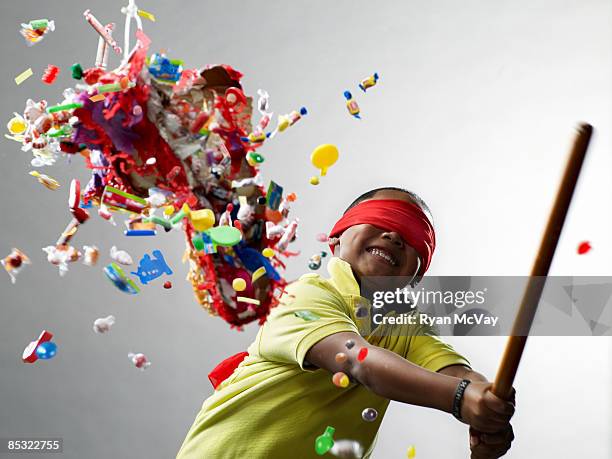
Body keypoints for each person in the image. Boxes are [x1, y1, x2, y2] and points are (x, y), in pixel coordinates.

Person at [177, 187, 515, 459]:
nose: (395, 235)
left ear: (415, 276)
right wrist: (461, 398)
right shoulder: (304, 295)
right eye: (383, 218)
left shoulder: (406, 327)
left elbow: (453, 371)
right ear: (336, 239)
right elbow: (356, 359)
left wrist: (486, 402)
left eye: (414, 236)